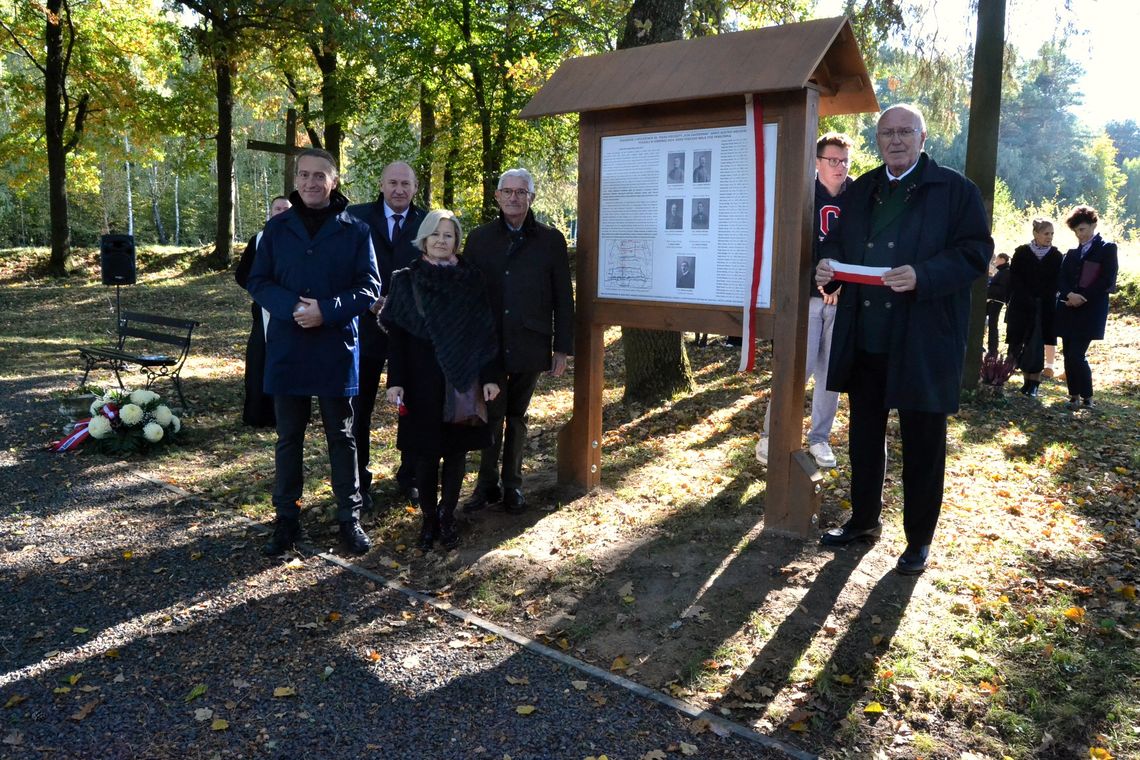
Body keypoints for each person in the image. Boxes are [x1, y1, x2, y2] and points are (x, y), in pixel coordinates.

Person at [815, 104, 991, 575]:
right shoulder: (862, 190)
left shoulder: (956, 190)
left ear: (922, 136)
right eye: (887, 132)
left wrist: (924, 275)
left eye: (905, 132)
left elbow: (976, 254)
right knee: (864, 436)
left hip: (923, 339)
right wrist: (827, 267)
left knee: (923, 444)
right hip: (867, 335)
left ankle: (918, 541)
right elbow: (836, 244)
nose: (896, 140)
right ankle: (864, 520)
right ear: (878, 138)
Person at [247, 148, 381, 557]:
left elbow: (369, 287)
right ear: (296, 179)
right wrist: (291, 307)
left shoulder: (355, 230)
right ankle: (286, 519)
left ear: (334, 181)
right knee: (289, 438)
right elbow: (258, 280)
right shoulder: (276, 229)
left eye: (319, 176)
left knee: (342, 436)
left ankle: (349, 517)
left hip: (334, 348)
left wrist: (327, 310)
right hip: (288, 347)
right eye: (304, 175)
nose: (310, 182)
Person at [380, 210, 501, 550]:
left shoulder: (471, 278)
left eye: (448, 235)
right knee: (426, 454)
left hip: (462, 380)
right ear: (424, 238)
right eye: (435, 234)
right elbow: (398, 337)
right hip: (421, 381)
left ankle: (448, 516)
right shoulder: (406, 279)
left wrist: (490, 377)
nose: (441, 241)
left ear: (456, 242)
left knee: (457, 453)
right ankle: (429, 518)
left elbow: (485, 331)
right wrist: (396, 381)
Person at [462, 168, 574, 514]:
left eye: (521, 192)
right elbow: (468, 295)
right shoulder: (480, 239)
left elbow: (562, 297)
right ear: (497, 196)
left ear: (531, 198)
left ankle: (512, 485)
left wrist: (562, 348)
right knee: (491, 414)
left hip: (531, 340)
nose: (513, 197)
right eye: (507, 191)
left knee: (518, 415)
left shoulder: (550, 239)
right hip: (490, 344)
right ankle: (486, 485)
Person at [756, 131, 855, 470]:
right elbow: (793, 242)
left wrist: (841, 282)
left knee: (832, 373)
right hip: (808, 296)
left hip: (843, 298)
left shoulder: (856, 196)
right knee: (798, 368)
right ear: (817, 161)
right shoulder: (802, 193)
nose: (840, 167)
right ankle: (773, 432)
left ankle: (820, 438)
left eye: (844, 161)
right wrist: (819, 279)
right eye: (833, 160)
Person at [346, 161, 426, 511]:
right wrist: (367, 300)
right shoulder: (355, 217)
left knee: (412, 407)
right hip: (365, 329)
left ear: (415, 187)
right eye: (392, 183)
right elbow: (342, 267)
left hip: (410, 334)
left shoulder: (429, 222)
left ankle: (409, 476)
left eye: (405, 184)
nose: (398, 190)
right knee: (358, 410)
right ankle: (358, 482)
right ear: (381, 184)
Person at [235, 195, 291, 427]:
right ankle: (258, 414)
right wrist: (263, 292)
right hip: (263, 311)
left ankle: (286, 415)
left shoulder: (299, 240)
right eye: (277, 208)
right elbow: (243, 275)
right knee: (259, 362)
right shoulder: (258, 240)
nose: (281, 212)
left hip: (290, 311)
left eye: (286, 209)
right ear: (270, 212)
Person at [1054, 205, 1118, 409]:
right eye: (1076, 231)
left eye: (1082, 229)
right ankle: (1073, 395)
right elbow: (1061, 278)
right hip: (1068, 308)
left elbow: (1107, 279)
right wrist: (1069, 295)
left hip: (1090, 310)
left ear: (1093, 225)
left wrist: (1082, 297)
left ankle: (1087, 397)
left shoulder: (1107, 248)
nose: (1079, 234)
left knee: (1077, 354)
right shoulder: (1072, 253)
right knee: (1067, 353)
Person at [1004, 220, 1062, 397]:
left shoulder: (1056, 256)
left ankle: (1034, 382)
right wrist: (1024, 295)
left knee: (1037, 342)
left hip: (1043, 306)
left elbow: (1057, 281)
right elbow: (1014, 278)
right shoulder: (1021, 252)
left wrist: (1044, 296)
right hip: (1022, 305)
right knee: (1020, 341)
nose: (1049, 237)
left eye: (1052, 234)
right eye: (1046, 233)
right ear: (1036, 234)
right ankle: (1025, 380)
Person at [985, 253, 1011, 357]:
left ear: (1002, 259)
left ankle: (993, 349)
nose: (995, 261)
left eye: (997, 259)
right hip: (994, 300)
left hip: (996, 301)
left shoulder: (1005, 272)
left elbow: (1001, 288)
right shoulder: (1002, 271)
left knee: (993, 324)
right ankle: (992, 348)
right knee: (992, 324)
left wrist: (990, 291)